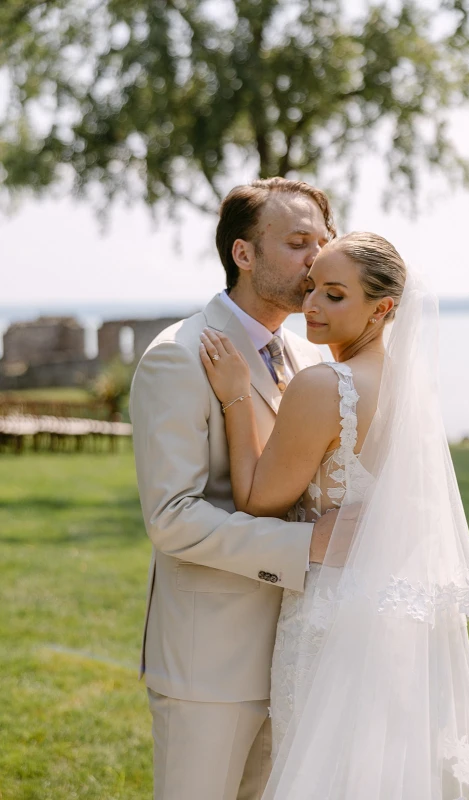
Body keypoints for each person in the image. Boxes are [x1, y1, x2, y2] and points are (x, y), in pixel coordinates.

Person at [200, 231, 469, 799]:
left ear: (382, 309)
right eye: (311, 287)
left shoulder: (324, 385)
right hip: (396, 612)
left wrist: (236, 396)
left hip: (330, 615)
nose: (310, 304)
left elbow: (258, 499)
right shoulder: (409, 386)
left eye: (334, 295)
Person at [129, 177, 343, 800]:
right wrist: (306, 546)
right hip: (211, 663)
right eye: (298, 243)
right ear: (243, 253)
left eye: (323, 242)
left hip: (300, 650)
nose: (317, 259)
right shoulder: (177, 355)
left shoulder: (310, 357)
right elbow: (172, 517)